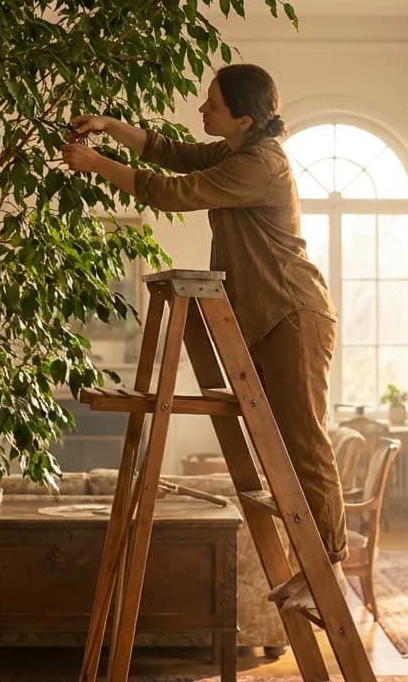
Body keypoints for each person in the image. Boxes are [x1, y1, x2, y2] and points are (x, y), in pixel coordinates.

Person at [60, 63, 347, 609]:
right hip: (269, 317)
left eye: (212, 104)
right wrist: (109, 126)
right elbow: (173, 154)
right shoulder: (237, 152)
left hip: (292, 314)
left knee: (304, 443)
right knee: (284, 448)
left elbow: (174, 192)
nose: (202, 110)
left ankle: (328, 567)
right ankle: (315, 568)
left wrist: (96, 164)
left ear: (244, 119)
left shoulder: (260, 164)